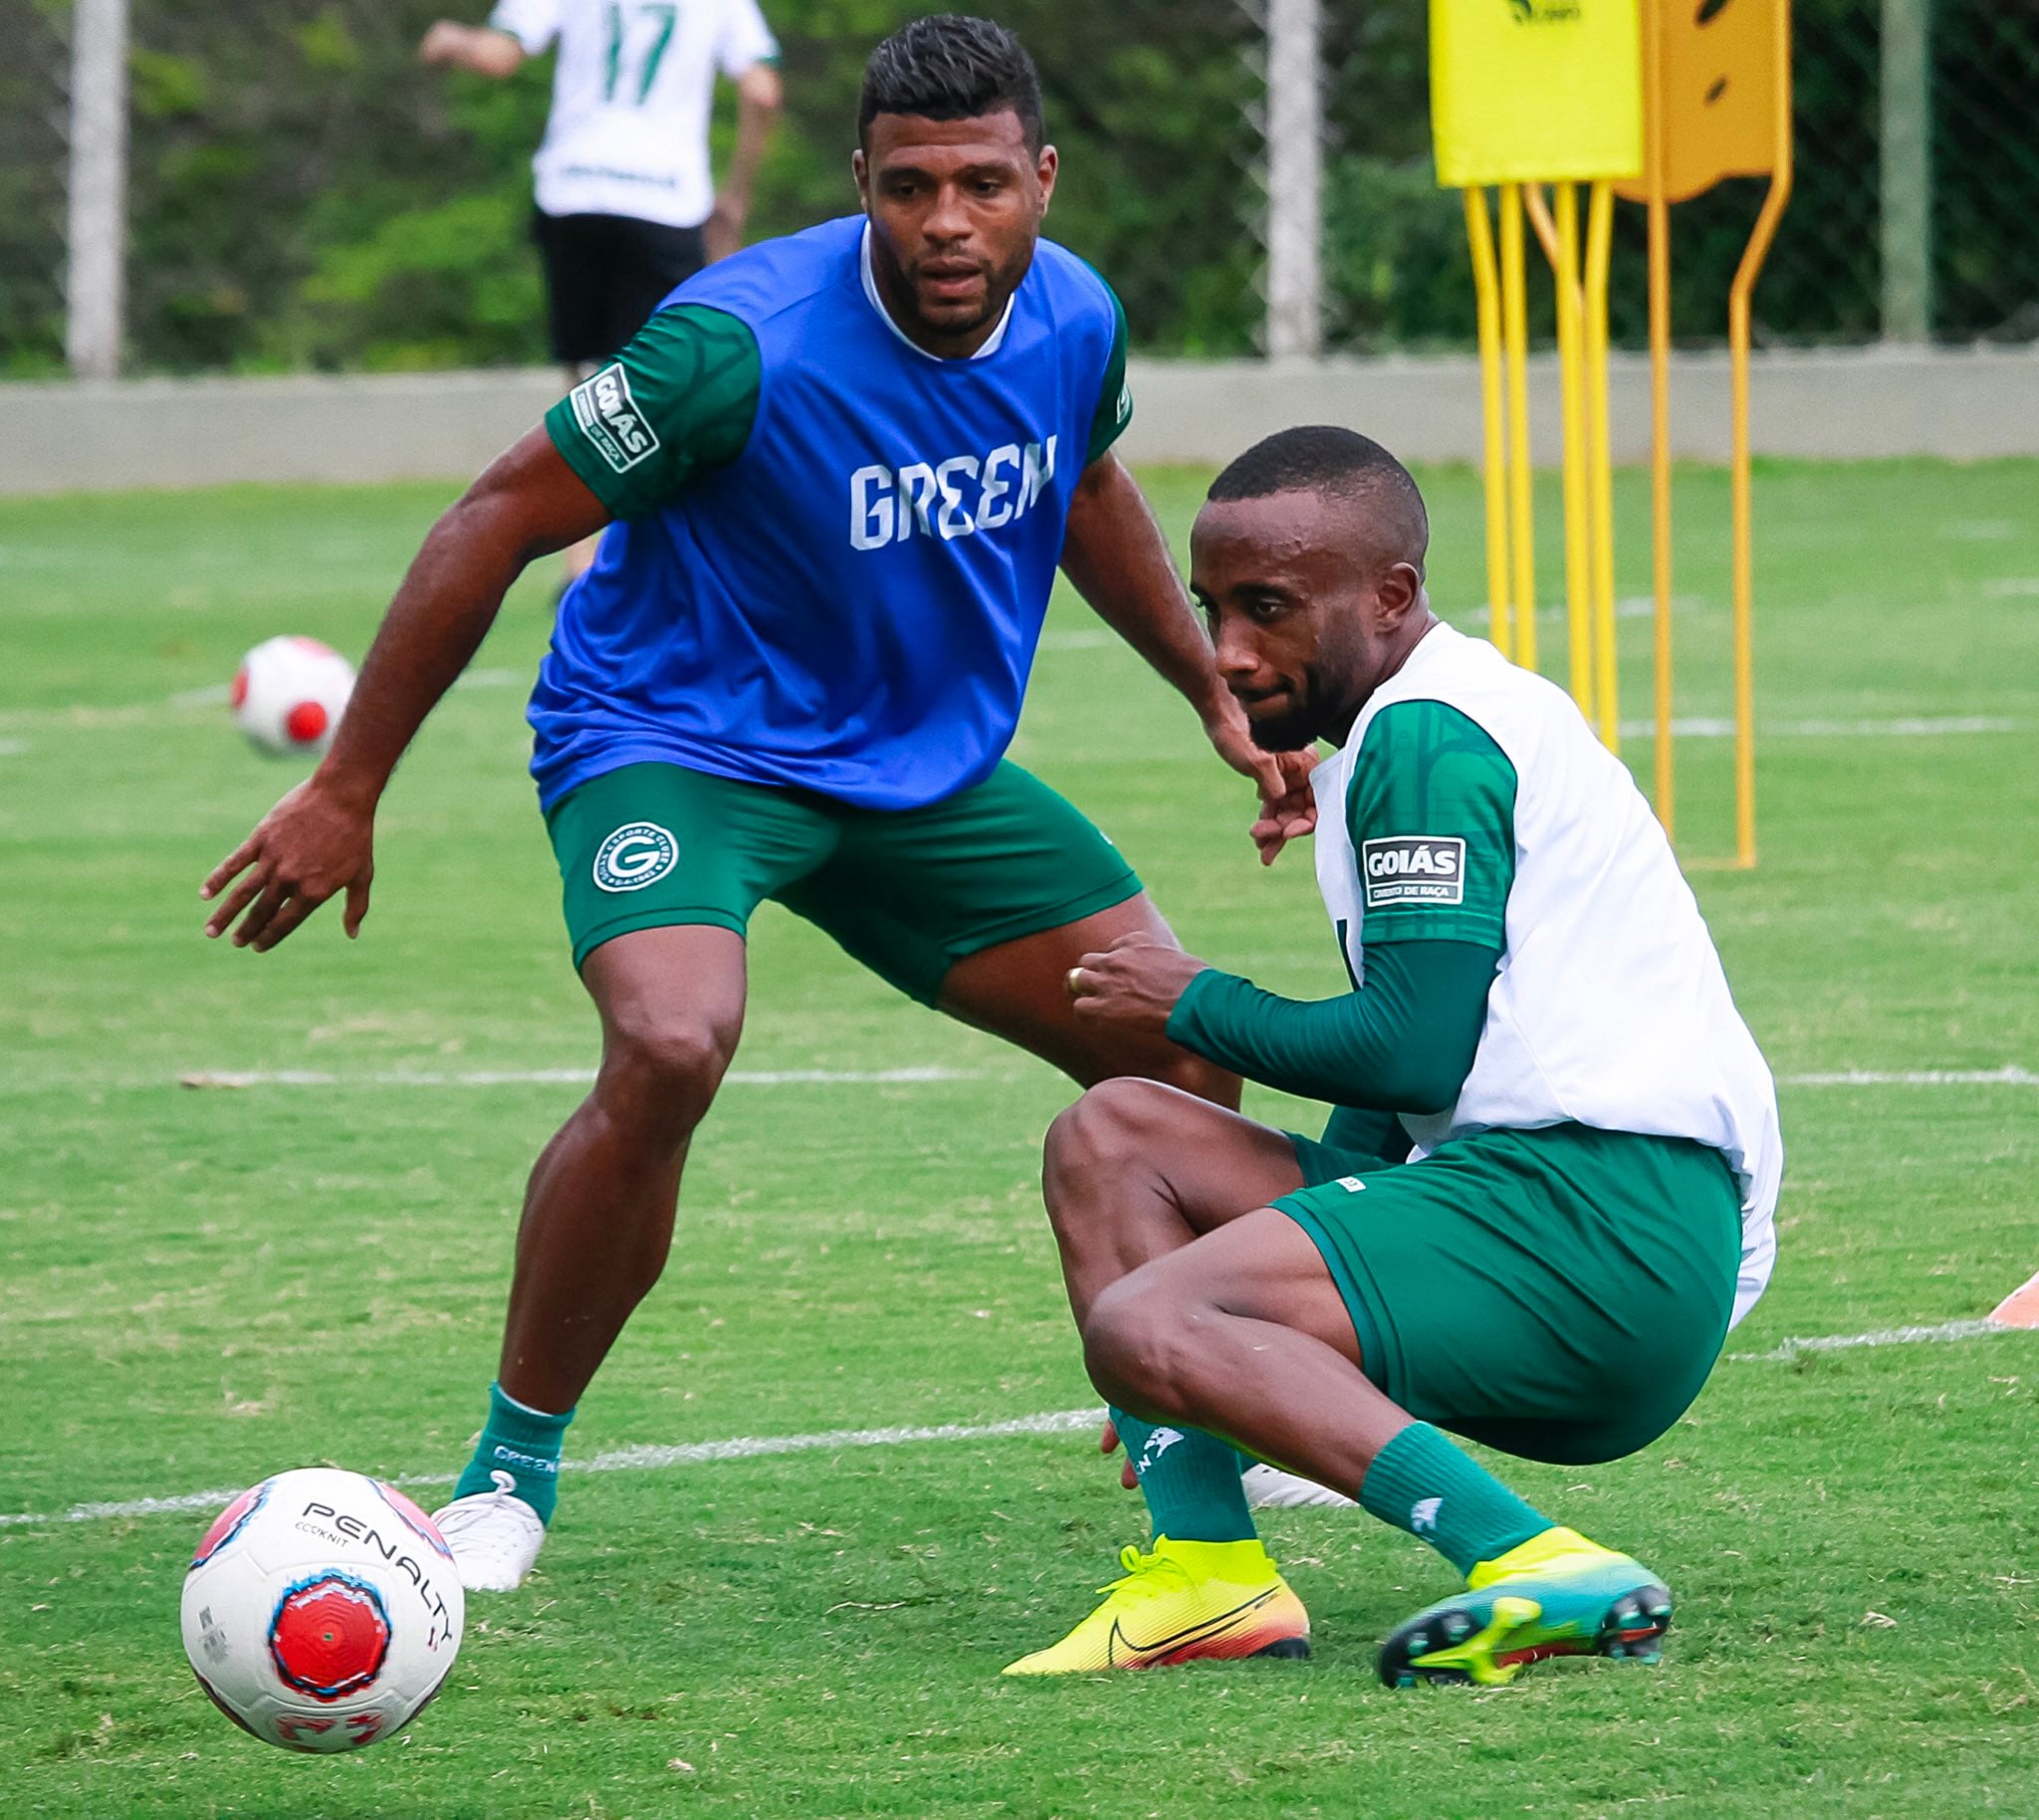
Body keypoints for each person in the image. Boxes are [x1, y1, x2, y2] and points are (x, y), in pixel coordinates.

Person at [200, 17, 1312, 1596]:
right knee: (670, 1038)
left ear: (1042, 182)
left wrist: (1208, 686)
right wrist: (346, 787)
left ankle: (1185, 1424)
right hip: (675, 744)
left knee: (1188, 1043)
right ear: (858, 178)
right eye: (911, 185)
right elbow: (495, 517)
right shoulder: (735, 342)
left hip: (918, 775)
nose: (947, 222)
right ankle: (509, 1474)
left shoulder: (1075, 323)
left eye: (984, 185)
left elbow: (1086, 488)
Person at [1006, 425, 1782, 1685]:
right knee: (1113, 1138)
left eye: (1268, 609)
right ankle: (1207, 1575)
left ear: (1390, 596)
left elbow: (1415, 1051)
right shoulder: (1410, 727)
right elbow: (1404, 1088)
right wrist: (1217, 1338)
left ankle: (1529, 1558)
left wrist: (1194, 998)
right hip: (1549, 1205)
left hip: (1599, 1225)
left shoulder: (1426, 741)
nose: (1229, 650)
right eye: (1213, 610)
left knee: (1151, 1312)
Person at [420, 0, 785, 580]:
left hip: (576, 186)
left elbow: (499, 56)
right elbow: (762, 91)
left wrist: (450, 39)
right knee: (667, 376)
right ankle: (650, 551)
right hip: (667, 196)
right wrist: (735, 197)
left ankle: (579, 560)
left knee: (586, 378)